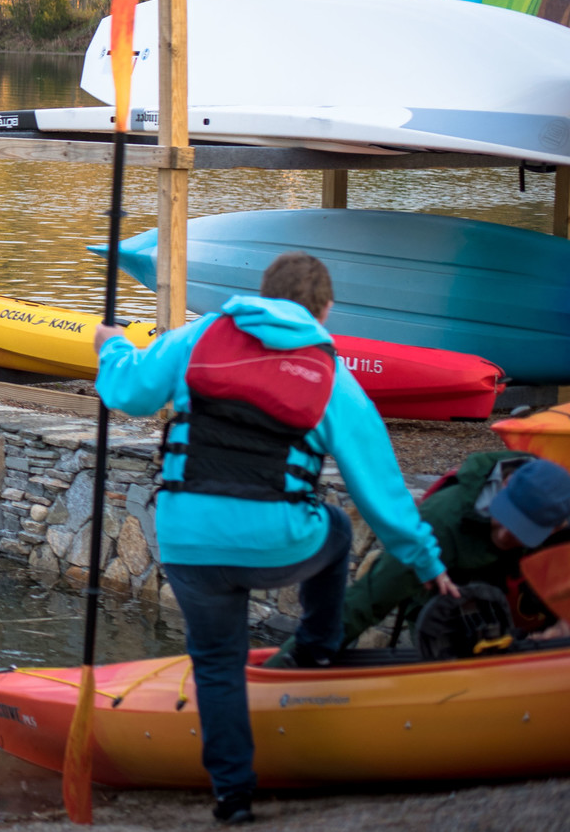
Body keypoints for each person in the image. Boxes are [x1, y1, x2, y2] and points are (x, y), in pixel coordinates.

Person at [93, 251, 456, 826]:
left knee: (216, 663)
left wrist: (109, 347)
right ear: (326, 309)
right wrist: (427, 563)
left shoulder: (202, 334)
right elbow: (380, 493)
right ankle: (316, 646)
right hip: (279, 541)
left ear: (260, 292)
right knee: (335, 525)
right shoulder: (331, 373)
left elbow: (129, 393)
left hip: (188, 541)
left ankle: (233, 799)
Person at [271, 452, 570, 662]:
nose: (505, 536)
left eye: (522, 530)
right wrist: (291, 661)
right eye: (505, 518)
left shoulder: (558, 508)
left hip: (520, 605)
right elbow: (366, 600)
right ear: (505, 486)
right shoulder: (439, 523)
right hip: (446, 608)